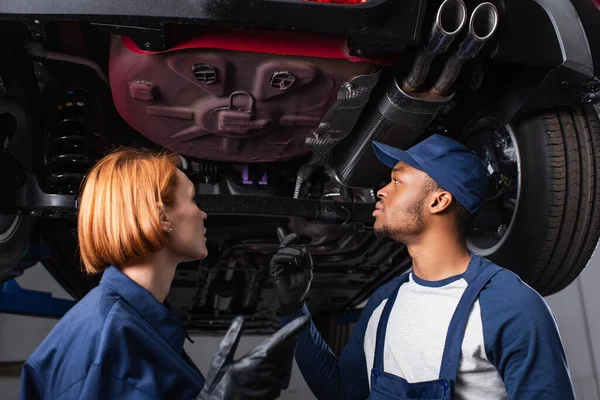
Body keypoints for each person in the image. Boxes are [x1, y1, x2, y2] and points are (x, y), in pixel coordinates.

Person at [270, 134, 575, 399]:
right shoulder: (384, 301)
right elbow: (340, 392)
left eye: (397, 181)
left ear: (438, 201)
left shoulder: (510, 307)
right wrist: (293, 309)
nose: (382, 191)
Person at [20, 147, 308, 400]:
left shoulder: (133, 325)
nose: (203, 214)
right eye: (193, 200)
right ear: (161, 217)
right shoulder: (110, 343)